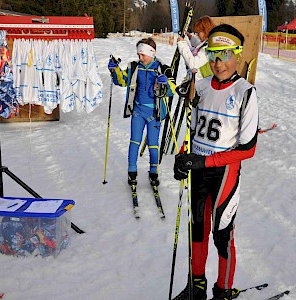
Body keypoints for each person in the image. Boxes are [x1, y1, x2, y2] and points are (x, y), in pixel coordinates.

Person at [172, 24, 259, 300]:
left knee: (222, 235)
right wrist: (183, 157)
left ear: (238, 55)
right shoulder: (201, 87)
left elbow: (248, 149)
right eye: (212, 55)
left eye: (224, 55)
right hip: (198, 169)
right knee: (196, 229)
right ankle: (196, 286)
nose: (217, 63)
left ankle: (222, 290)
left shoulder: (246, 92)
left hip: (224, 174)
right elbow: (192, 128)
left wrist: (204, 163)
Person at [108, 38, 176, 185]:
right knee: (134, 142)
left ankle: (153, 172)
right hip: (138, 111)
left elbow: (173, 90)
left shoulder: (162, 68)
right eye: (138, 54)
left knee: (153, 144)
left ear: (151, 53)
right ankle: (132, 172)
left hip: (154, 113)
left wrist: (166, 84)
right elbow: (122, 80)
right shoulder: (135, 67)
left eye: (142, 55)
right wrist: (115, 70)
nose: (140, 58)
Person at [177, 15, 216, 81]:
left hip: (202, 83)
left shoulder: (209, 49)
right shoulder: (208, 42)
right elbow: (200, 47)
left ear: (205, 31)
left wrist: (182, 45)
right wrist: (191, 38)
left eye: (198, 32)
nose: (197, 35)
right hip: (200, 81)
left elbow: (193, 64)